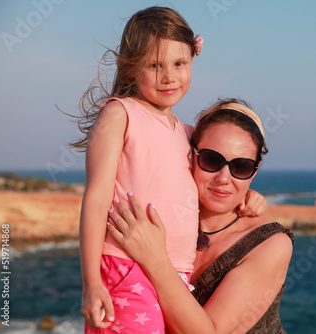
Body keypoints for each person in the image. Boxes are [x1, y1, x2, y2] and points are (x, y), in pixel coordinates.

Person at [70, 7, 265, 333]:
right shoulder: (120, 114)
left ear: (192, 60)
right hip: (125, 264)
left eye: (179, 64)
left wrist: (252, 198)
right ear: (132, 66)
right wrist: (91, 282)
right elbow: (95, 198)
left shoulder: (189, 133)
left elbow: (204, 189)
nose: (169, 77)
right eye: (154, 65)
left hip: (174, 275)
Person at [108, 99, 294, 333]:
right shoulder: (163, 216)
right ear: (190, 156)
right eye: (211, 160)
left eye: (241, 167)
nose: (224, 178)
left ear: (254, 171)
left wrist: (155, 260)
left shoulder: (271, 245)